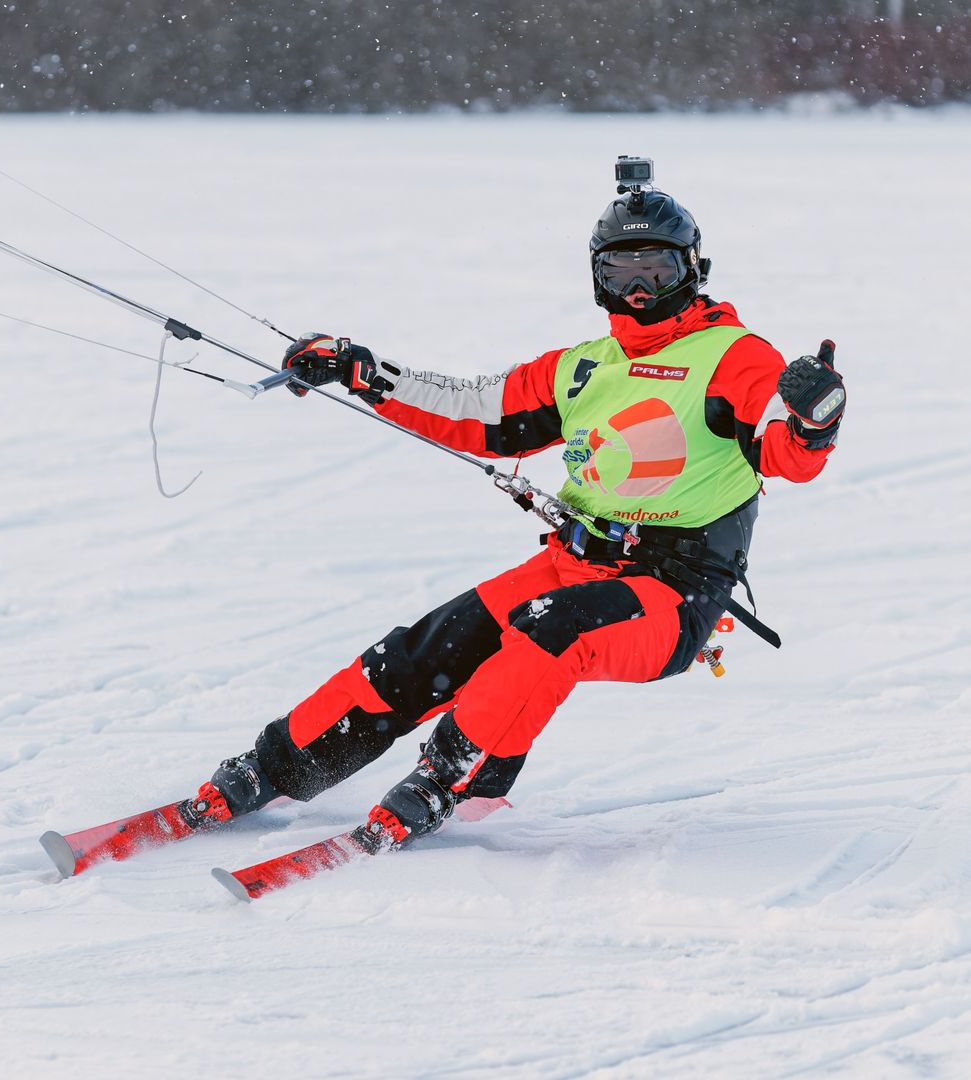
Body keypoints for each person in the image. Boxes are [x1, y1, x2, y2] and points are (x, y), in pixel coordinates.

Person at [184, 181, 844, 851]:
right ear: (596, 278)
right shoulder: (584, 366)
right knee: (428, 649)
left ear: (693, 269)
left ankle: (451, 775)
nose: (639, 292)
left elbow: (783, 451)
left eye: (657, 270)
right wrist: (362, 372)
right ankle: (273, 768)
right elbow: (474, 409)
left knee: (550, 630)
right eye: (619, 272)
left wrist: (815, 420)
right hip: (574, 563)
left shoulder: (735, 357)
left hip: (672, 592)